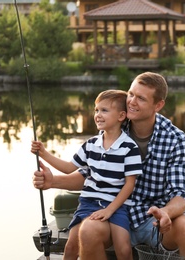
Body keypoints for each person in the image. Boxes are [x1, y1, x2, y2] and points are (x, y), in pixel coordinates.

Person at [32, 72, 185, 260]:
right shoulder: (113, 124)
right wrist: (53, 181)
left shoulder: (174, 138)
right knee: (88, 230)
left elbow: (180, 194)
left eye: (141, 98)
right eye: (131, 94)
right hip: (113, 214)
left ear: (158, 105)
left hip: (152, 221)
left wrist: (165, 212)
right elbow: (92, 175)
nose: (131, 101)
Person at [31, 89, 143, 260]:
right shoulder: (90, 145)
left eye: (104, 110)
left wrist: (110, 209)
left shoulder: (129, 148)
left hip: (118, 206)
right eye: (96, 110)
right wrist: (44, 153)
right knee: (70, 248)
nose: (98, 114)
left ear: (121, 116)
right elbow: (69, 167)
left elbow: (130, 184)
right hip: (88, 203)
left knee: (124, 250)